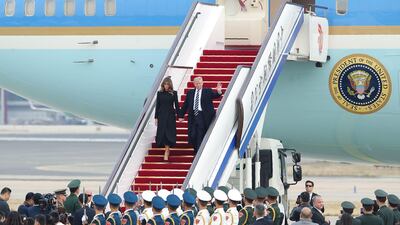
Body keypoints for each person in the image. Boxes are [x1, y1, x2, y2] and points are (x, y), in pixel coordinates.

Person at [179, 77, 222, 153]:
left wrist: (218, 91)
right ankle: (196, 150)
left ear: (202, 83)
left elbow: (215, 95)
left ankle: (198, 153)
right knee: (193, 135)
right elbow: (185, 105)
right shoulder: (190, 93)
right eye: (197, 83)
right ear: (194, 84)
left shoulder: (207, 91)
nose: (199, 85)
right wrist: (181, 115)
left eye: (200, 83)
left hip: (203, 116)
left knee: (200, 134)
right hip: (193, 116)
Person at [155, 77, 180, 160]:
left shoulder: (174, 93)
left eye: (167, 84)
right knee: (163, 132)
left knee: (169, 132)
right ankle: (167, 150)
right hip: (161, 115)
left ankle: (167, 150)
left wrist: (179, 115)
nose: (166, 86)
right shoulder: (159, 93)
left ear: (170, 85)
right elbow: (157, 106)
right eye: (165, 84)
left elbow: (176, 105)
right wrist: (156, 117)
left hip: (170, 115)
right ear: (163, 84)